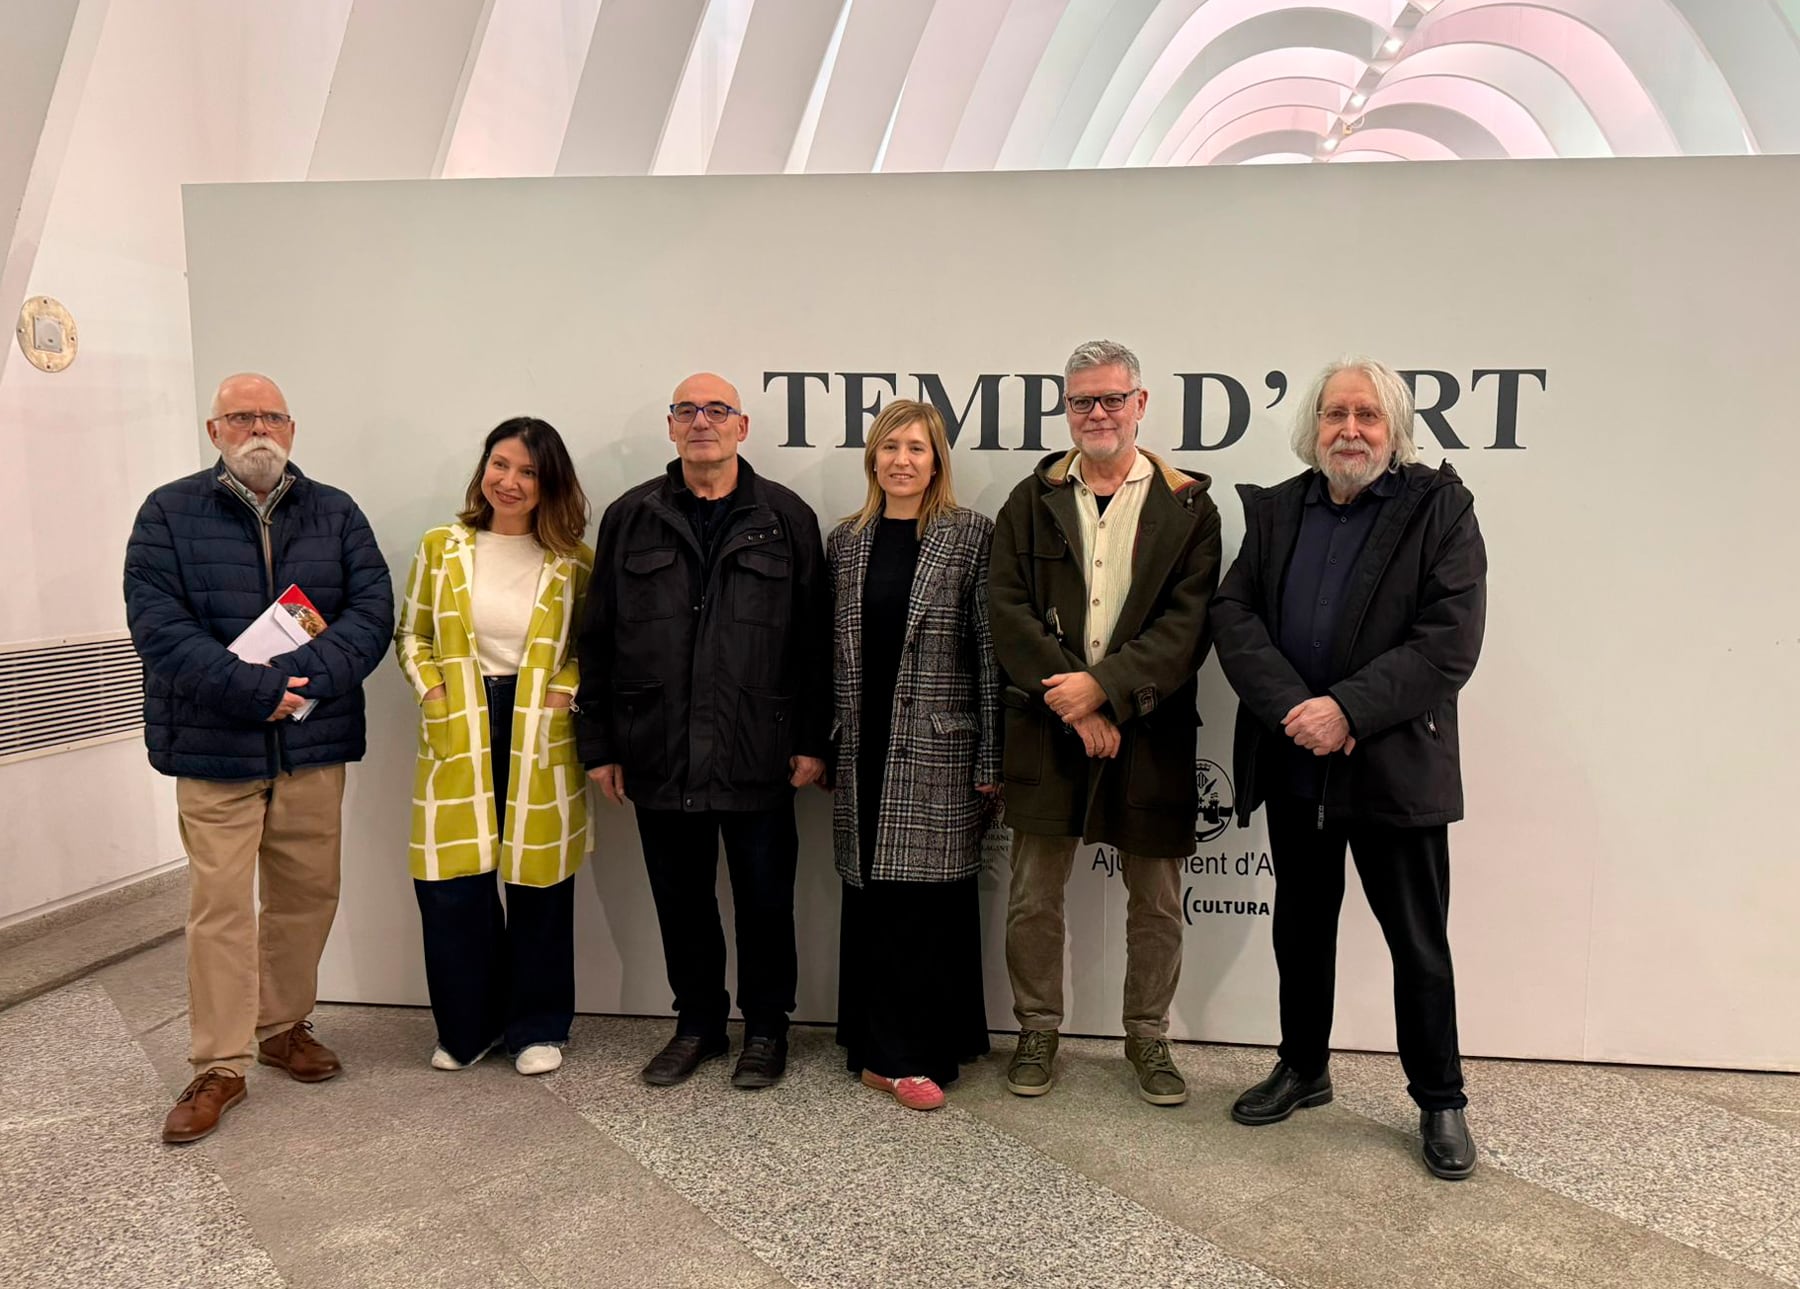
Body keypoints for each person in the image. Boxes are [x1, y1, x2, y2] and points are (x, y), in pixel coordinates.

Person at [1211, 357, 1487, 1181]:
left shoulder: (1440, 509)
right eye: (1336, 414)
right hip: (1297, 758)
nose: (1351, 429)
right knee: (1301, 926)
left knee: (1417, 941)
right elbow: (1235, 613)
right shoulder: (1280, 510)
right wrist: (1299, 708)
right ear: (1314, 427)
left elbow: (1449, 641)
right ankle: (1304, 1066)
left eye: (1367, 415)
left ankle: (1441, 1098)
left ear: (1393, 427)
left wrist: (1348, 711)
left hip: (1393, 767)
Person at [124, 372, 393, 1143]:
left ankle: (282, 1027)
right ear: (215, 432)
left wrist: (313, 681)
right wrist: (256, 691)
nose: (258, 429)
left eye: (271, 416)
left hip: (314, 738)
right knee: (220, 905)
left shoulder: (336, 511)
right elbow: (159, 625)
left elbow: (371, 608)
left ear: (293, 428)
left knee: (308, 892)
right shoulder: (167, 513)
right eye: (241, 417)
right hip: (215, 746)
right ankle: (220, 1063)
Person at [574, 373, 829, 1090]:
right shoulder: (631, 516)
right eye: (688, 410)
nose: (702, 422)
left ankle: (768, 1029)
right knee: (680, 899)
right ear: (671, 425)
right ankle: (699, 1026)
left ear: (742, 427)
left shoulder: (786, 516)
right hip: (658, 745)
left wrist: (813, 737)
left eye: (717, 410)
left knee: (764, 900)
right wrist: (599, 743)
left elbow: (814, 641)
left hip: (760, 746)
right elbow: (597, 638)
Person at [988, 339, 1222, 1106]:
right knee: (1031, 894)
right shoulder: (1032, 498)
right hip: (1047, 725)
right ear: (1066, 407)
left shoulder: (1189, 506)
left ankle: (1148, 1034)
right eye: (1083, 399)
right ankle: (1037, 1028)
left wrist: (1107, 694)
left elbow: (1185, 628)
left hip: (1148, 730)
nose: (1097, 412)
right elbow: (1008, 608)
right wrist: (1075, 701)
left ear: (1140, 404)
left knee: (1156, 898)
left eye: (1112, 398)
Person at [394, 417, 593, 1077]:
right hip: (462, 717)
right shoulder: (441, 547)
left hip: (540, 722)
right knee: (455, 881)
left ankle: (536, 1025)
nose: (510, 481)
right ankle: (467, 1026)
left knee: (539, 879)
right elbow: (411, 634)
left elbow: (597, 647)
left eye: (528, 471)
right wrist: (433, 694)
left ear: (549, 483)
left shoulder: (574, 562)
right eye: (500, 464)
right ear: (484, 469)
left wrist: (566, 691)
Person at [825, 400, 1000, 1111]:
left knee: (927, 907)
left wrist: (991, 757)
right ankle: (883, 1051)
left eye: (918, 448)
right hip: (862, 749)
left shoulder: (970, 537)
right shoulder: (845, 541)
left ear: (937, 461)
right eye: (890, 446)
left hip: (939, 748)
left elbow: (989, 658)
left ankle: (920, 1045)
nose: (902, 459)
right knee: (873, 899)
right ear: (873, 457)